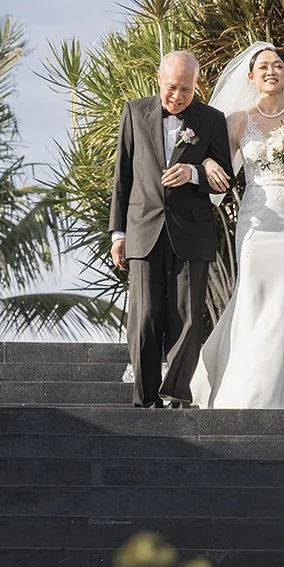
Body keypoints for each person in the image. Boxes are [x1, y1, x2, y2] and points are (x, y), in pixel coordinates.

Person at [190, 43, 284, 410]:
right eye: (264, 67)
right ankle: (243, 390)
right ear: (251, 77)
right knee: (253, 299)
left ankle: (283, 395)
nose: (272, 71)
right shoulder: (237, 121)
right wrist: (206, 166)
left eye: (278, 66)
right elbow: (213, 160)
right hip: (257, 221)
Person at [109, 51, 234, 408]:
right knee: (145, 316)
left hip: (191, 231)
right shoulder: (134, 112)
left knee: (188, 318)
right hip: (142, 228)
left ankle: (176, 395)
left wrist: (194, 173)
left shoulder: (211, 119)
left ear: (197, 85)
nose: (177, 96)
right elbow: (123, 177)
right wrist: (118, 233)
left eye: (186, 89)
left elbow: (225, 178)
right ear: (158, 79)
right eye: (171, 87)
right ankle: (145, 398)